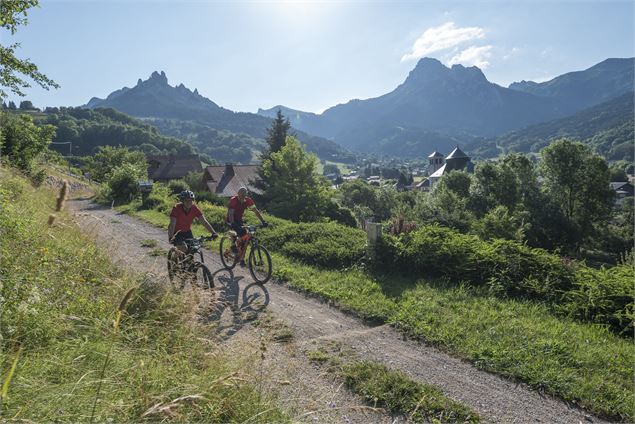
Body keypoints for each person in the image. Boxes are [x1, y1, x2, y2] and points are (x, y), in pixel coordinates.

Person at [168, 190, 218, 256]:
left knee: (192, 249)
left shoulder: (194, 208)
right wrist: (171, 236)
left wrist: (213, 233)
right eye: (186, 200)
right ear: (182, 201)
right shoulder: (176, 208)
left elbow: (204, 221)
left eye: (190, 200)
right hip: (177, 233)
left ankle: (189, 264)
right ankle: (175, 261)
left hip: (187, 232)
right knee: (184, 248)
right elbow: (172, 224)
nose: (189, 202)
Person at [226, 187, 267, 265]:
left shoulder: (248, 200)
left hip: (239, 220)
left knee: (245, 239)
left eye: (244, 196)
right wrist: (232, 223)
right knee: (237, 233)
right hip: (230, 219)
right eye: (241, 195)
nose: (242, 197)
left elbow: (256, 211)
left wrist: (263, 221)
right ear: (238, 194)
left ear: (246, 195)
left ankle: (241, 258)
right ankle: (233, 246)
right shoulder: (233, 200)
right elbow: (231, 213)